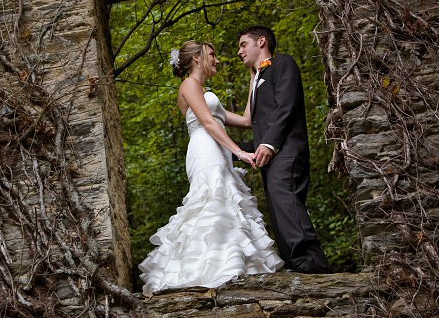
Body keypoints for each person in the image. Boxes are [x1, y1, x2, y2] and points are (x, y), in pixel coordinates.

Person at [138, 41, 283, 296]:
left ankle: (229, 266)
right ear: (197, 58)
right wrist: (239, 152)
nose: (217, 60)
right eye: (212, 54)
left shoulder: (204, 91)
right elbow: (207, 122)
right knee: (211, 201)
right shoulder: (189, 84)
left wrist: (254, 76)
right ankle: (205, 272)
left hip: (218, 150)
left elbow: (246, 120)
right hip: (205, 150)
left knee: (226, 204)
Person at [236, 26, 331, 273]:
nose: (239, 51)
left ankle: (312, 263)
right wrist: (230, 149)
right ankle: (294, 264)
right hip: (271, 157)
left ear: (261, 42)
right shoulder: (257, 79)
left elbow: (286, 106)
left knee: (286, 201)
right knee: (278, 207)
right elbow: (260, 127)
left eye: (244, 44)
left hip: (287, 150)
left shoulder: (283, 63)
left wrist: (270, 143)